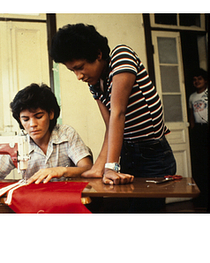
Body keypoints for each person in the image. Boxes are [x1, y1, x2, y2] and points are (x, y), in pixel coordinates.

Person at [51, 23, 177, 212]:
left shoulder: (121, 56)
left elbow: (119, 113)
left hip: (153, 155)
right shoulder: (95, 83)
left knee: (146, 211)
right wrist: (99, 167)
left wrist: (110, 167)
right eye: (73, 71)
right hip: (128, 151)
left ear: (98, 54)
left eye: (80, 67)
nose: (78, 76)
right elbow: (110, 126)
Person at [0, 83, 92, 185]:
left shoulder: (66, 134)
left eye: (39, 116)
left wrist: (60, 171)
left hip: (67, 201)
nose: (32, 124)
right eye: (25, 119)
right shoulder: (17, 144)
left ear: (51, 114)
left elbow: (88, 169)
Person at [188, 68, 208, 208]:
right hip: (199, 130)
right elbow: (191, 114)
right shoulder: (192, 97)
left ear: (205, 80)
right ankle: (202, 194)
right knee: (202, 160)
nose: (197, 82)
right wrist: (193, 128)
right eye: (194, 80)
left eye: (199, 79)